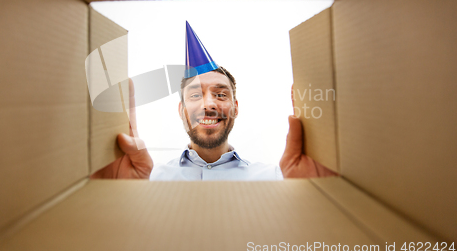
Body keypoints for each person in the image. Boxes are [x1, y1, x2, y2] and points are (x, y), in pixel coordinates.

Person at [91, 22, 337, 180]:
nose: (208, 104)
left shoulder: (274, 179)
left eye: (221, 94)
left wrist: (312, 200)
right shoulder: (148, 180)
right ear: (181, 110)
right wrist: (116, 201)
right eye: (195, 95)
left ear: (236, 108)